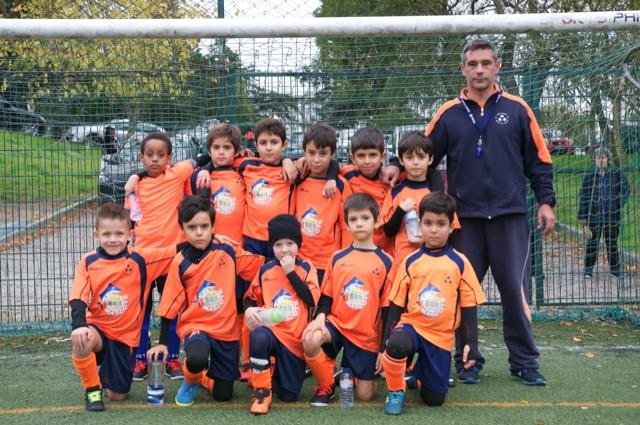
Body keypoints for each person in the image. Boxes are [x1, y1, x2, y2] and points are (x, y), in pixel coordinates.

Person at [387, 39, 555, 386]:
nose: (479, 70)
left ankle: (524, 362)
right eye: (473, 64)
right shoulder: (449, 113)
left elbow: (539, 160)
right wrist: (393, 164)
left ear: (497, 67)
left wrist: (546, 201)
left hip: (509, 217)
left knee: (516, 292)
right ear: (462, 69)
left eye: (486, 63)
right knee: (459, 294)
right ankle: (467, 361)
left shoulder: (518, 109)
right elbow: (422, 149)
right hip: (465, 221)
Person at [147, 196, 264, 406]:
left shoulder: (228, 251)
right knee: (197, 358)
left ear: (213, 227)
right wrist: (163, 342)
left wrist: (285, 263)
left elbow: (259, 267)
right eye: (192, 227)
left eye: (204, 226)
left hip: (226, 331)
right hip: (196, 327)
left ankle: (202, 378)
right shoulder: (180, 262)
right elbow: (169, 305)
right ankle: (191, 380)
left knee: (223, 395)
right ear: (182, 229)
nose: (199, 232)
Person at [380, 192, 486, 415]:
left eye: (440, 224)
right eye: (428, 223)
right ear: (420, 225)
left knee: (434, 400)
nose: (434, 230)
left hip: (440, 336)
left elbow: (469, 306)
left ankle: (419, 375)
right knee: (397, 344)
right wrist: (385, 344)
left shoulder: (460, 263)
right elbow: (396, 304)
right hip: (413, 328)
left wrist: (471, 344)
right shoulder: (410, 261)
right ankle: (396, 391)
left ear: (451, 227)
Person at [69, 203, 178, 411]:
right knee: (82, 339)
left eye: (119, 233)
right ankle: (92, 389)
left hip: (125, 338)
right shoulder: (88, 261)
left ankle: (107, 374)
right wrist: (79, 324)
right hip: (99, 329)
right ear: (96, 234)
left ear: (130, 234)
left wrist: (210, 240)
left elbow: (174, 251)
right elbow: (78, 296)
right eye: (106, 234)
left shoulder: (141, 260)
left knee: (118, 395)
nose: (113, 239)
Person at [123, 132, 211, 381]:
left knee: (172, 309)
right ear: (141, 157)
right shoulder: (134, 187)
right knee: (141, 311)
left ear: (169, 158)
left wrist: (240, 154)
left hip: (172, 258)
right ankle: (140, 359)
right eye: (149, 155)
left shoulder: (177, 173)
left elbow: (203, 158)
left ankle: (172, 357)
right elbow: (129, 221)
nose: (155, 159)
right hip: (143, 259)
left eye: (161, 155)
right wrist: (135, 177)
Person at [302, 193, 396, 406]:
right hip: (337, 325)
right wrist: (319, 318)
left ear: (377, 221)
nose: (359, 223)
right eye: (353, 219)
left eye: (365, 218)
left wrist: (383, 349)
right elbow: (327, 296)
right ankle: (327, 384)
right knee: (310, 338)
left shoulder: (386, 262)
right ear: (346, 224)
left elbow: (388, 310)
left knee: (365, 395)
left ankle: (353, 374)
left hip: (366, 334)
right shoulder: (337, 257)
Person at [243, 214, 320, 415]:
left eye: (290, 243)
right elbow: (250, 297)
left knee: (288, 395)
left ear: (299, 244)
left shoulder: (306, 268)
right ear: (272, 247)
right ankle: (262, 391)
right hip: (272, 333)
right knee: (258, 335)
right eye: (278, 244)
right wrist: (250, 308)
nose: (284, 249)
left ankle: (269, 373)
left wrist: (290, 272)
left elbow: (311, 299)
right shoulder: (265, 270)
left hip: (294, 342)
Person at [294, 123, 353, 284]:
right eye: (311, 153)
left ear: (332, 154)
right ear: (304, 152)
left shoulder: (340, 185)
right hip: (300, 260)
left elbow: (346, 225)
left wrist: (344, 259)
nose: (316, 159)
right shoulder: (298, 180)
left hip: (327, 261)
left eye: (323, 154)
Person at [382, 131, 452, 264]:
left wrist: (426, 240)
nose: (415, 162)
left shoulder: (436, 192)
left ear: (430, 159)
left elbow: (449, 229)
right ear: (401, 160)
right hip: (403, 261)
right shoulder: (395, 192)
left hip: (431, 261)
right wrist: (401, 210)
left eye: (421, 157)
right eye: (409, 158)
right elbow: (388, 232)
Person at [340, 127, 395, 254]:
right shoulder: (347, 174)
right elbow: (326, 167)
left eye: (373, 155)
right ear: (353, 158)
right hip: (355, 246)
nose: (367, 161)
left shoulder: (389, 179)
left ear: (382, 156)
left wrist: (396, 165)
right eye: (361, 156)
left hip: (383, 249)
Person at [577, 146, 630, 279]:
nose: (600, 160)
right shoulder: (589, 175)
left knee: (612, 242)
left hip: (612, 215)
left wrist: (618, 204)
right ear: (594, 159)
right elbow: (583, 196)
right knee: (592, 243)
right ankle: (588, 270)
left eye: (603, 157)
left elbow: (626, 190)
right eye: (598, 157)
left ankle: (615, 270)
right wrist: (583, 219)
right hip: (594, 215)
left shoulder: (616, 173)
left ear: (608, 159)